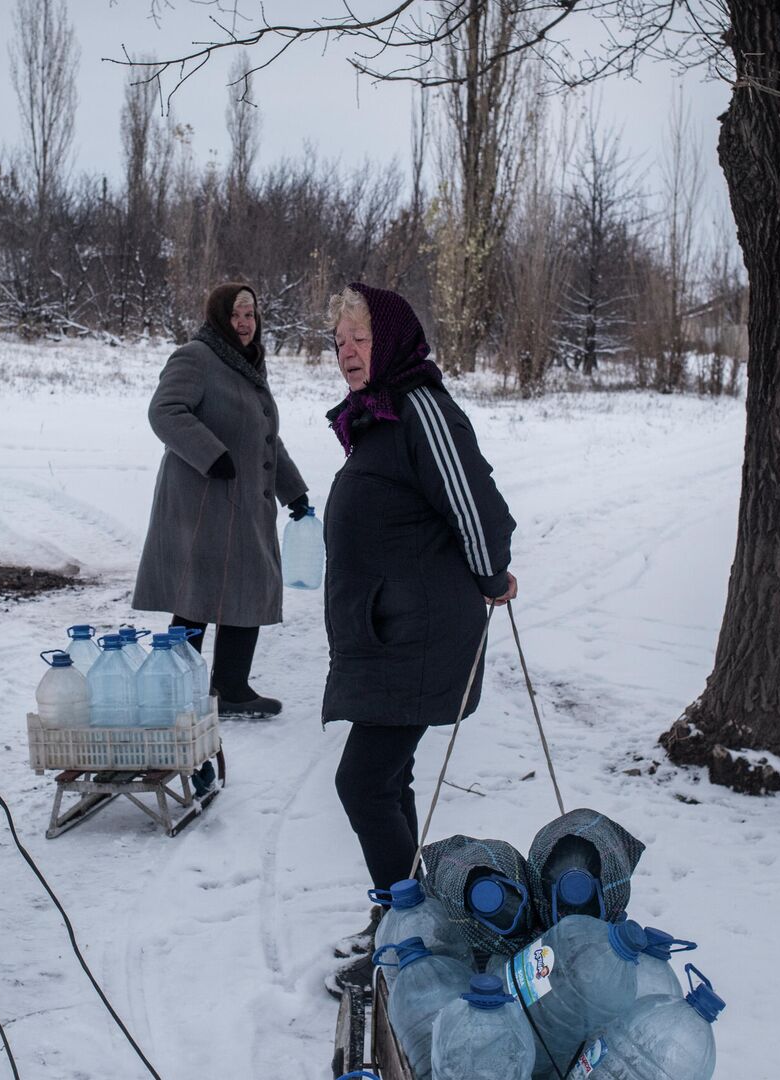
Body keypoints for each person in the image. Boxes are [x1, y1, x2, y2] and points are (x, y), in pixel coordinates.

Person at [319, 283, 517, 997]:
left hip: (419, 633)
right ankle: (405, 927)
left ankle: (411, 947)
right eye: (338, 341)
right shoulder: (380, 417)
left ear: (394, 341)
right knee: (386, 780)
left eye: (360, 339)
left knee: (363, 781)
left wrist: (493, 574)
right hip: (391, 630)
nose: (346, 351)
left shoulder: (419, 406)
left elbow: (475, 501)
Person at [133, 282, 309, 718]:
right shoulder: (197, 357)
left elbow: (263, 435)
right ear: (218, 319)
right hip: (202, 500)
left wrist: (296, 491)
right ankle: (177, 689)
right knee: (196, 593)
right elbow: (165, 411)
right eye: (235, 315)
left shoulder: (247, 364)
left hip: (243, 501)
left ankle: (230, 687)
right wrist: (211, 455)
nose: (244, 323)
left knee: (245, 588)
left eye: (250, 314)